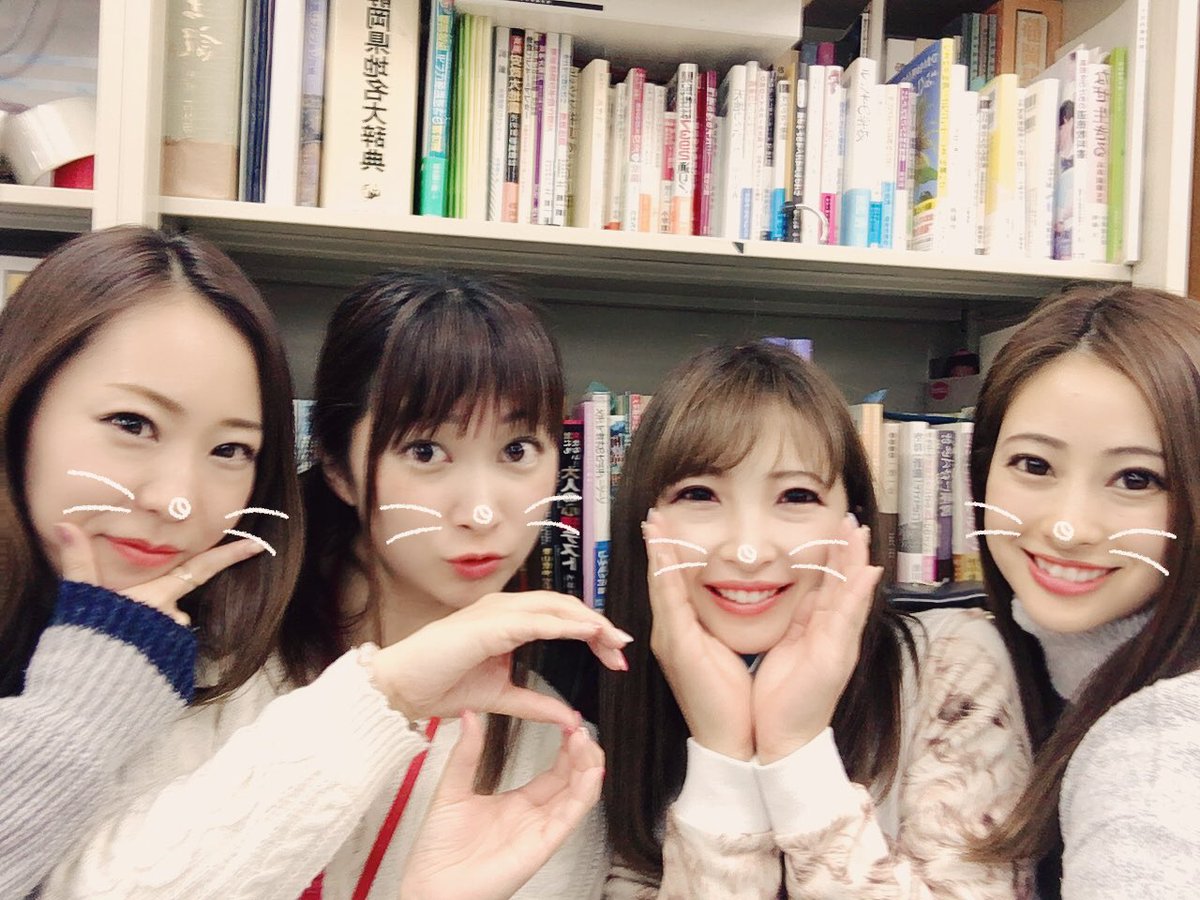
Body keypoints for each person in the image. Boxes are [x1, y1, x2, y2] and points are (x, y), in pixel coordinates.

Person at [45, 270, 625, 899]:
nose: (481, 511)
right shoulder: (206, 668)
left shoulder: (551, 737)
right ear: (336, 465)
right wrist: (380, 699)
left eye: (517, 451)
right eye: (425, 451)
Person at [600, 341, 1033, 897]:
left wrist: (797, 751)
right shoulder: (613, 685)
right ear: (643, 522)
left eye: (796, 496)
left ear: (853, 523)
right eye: (700, 494)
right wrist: (721, 755)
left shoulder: (952, 666)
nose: (749, 550)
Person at [0, 225, 299, 898]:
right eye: (132, 424)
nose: (177, 500)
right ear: (21, 405)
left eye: (230, 450)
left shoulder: (244, 684)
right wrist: (87, 694)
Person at [968, 284, 1200, 898]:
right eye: (1034, 465)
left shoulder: (1159, 755)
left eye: (1136, 479)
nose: (1068, 527)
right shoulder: (1009, 663)